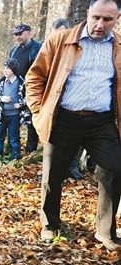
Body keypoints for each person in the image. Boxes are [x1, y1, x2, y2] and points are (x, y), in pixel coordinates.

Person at [26, 0, 121, 250]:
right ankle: (50, 225)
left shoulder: (118, 46)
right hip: (64, 119)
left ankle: (105, 232)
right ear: (88, 13)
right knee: (53, 175)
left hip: (102, 121)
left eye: (108, 20)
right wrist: (39, 111)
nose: (101, 24)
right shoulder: (60, 40)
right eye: (97, 17)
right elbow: (35, 77)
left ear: (118, 18)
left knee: (114, 169)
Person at [50, 18, 84, 180]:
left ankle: (74, 167)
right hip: (53, 107)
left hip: (75, 105)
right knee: (54, 144)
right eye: (56, 34)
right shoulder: (49, 50)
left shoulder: (79, 49)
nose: (60, 37)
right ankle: (55, 174)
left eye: (63, 33)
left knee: (75, 141)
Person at [0, 58, 31, 160]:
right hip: (2, 114)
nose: (5, 70)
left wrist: (21, 104)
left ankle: (15, 157)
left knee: (14, 137)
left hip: (15, 115)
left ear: (13, 69)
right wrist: (1, 98)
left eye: (7, 68)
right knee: (0, 136)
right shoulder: (0, 83)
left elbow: (30, 97)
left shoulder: (22, 83)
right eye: (4, 68)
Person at [9, 24, 42, 153]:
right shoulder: (14, 50)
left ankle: (30, 150)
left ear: (29, 33)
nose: (17, 37)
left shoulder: (38, 49)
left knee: (31, 120)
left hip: (32, 90)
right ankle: (13, 147)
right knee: (13, 118)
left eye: (20, 34)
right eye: (16, 34)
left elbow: (41, 70)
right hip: (16, 90)